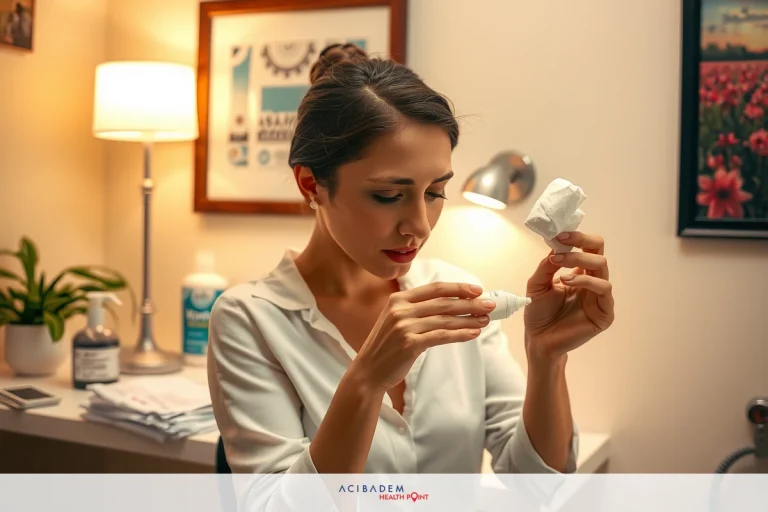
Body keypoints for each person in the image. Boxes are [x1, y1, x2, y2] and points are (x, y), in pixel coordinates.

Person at [207, 44, 614, 478]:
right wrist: (365, 381)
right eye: (388, 195)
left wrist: (547, 356)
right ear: (311, 185)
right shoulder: (249, 319)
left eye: (436, 192)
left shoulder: (460, 294)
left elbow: (536, 485)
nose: (419, 226)